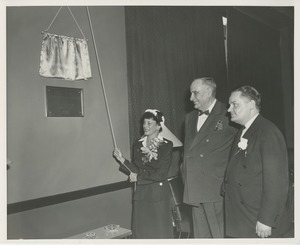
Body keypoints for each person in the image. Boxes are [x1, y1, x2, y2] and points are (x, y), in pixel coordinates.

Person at [224, 85, 291, 238]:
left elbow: (277, 182)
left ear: (252, 105)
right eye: (229, 105)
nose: (229, 109)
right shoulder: (242, 131)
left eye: (235, 104)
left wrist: (267, 219)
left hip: (257, 217)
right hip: (242, 215)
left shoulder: (268, 132)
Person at [181, 77, 236, 238]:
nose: (191, 98)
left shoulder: (229, 112)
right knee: (201, 237)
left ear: (208, 91)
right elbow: (188, 151)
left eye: (195, 93)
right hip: (194, 187)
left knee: (219, 236)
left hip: (215, 188)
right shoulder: (190, 117)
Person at [113, 109, 174, 239]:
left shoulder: (166, 145)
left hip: (158, 196)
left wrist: (138, 177)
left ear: (159, 126)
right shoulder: (138, 144)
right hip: (141, 195)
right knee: (142, 234)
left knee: (159, 234)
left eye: (149, 123)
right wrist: (121, 159)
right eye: (144, 123)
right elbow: (136, 169)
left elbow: (161, 174)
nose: (145, 126)